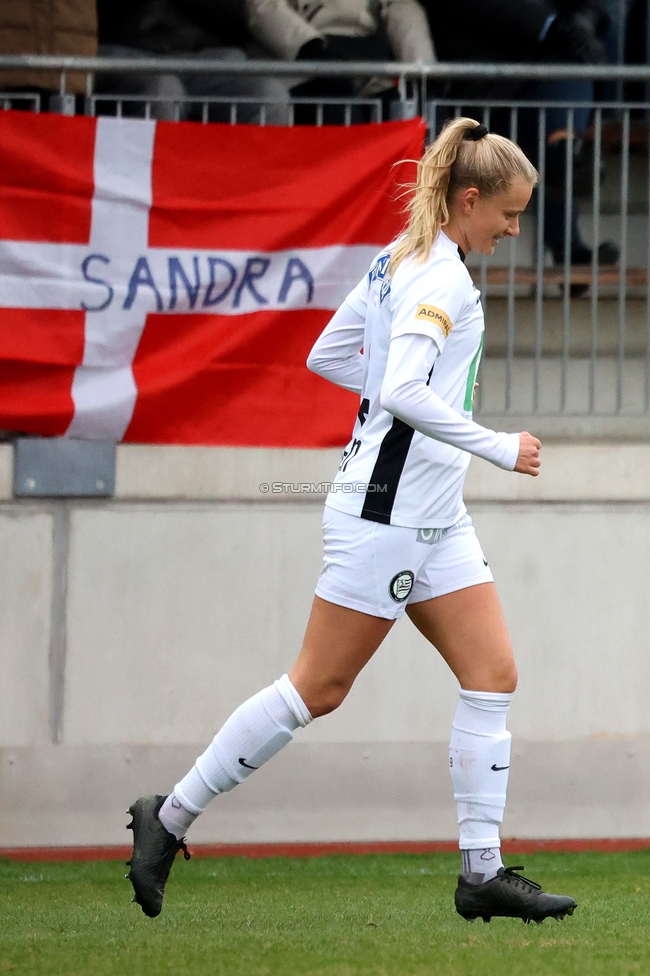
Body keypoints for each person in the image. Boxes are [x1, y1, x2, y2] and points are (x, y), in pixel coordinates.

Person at [126, 117, 577, 925]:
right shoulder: (439, 278)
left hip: (434, 515)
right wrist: (498, 446)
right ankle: (168, 818)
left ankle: (483, 872)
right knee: (318, 687)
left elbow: (329, 358)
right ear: (468, 201)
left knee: (493, 675)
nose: (516, 229)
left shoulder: (396, 260)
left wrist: (401, 407)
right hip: (388, 516)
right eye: (508, 214)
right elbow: (402, 390)